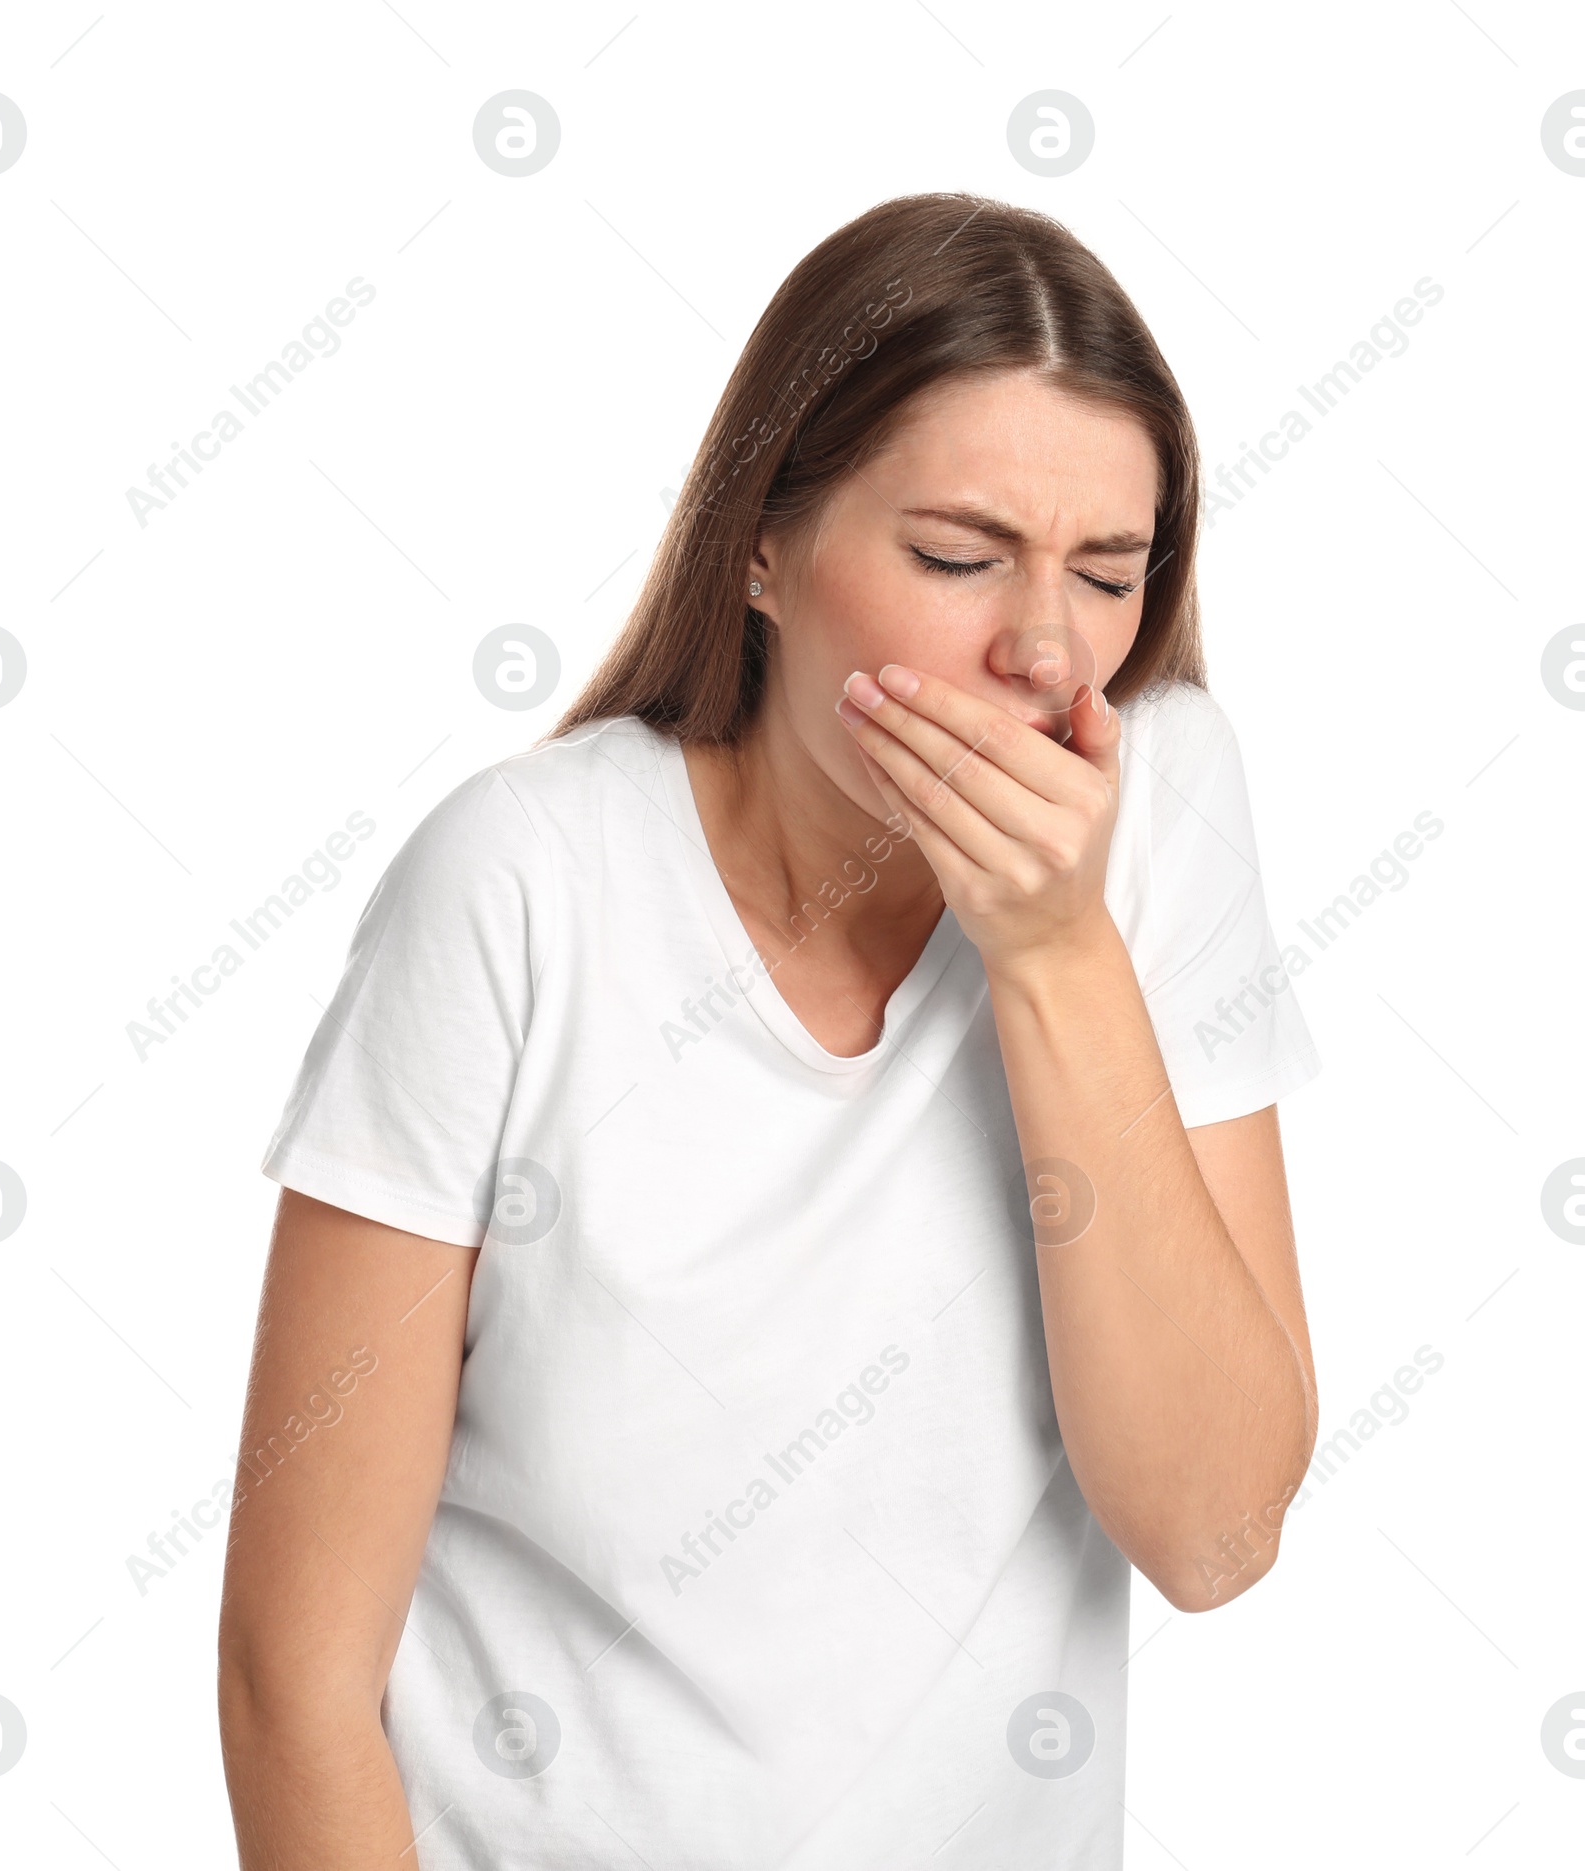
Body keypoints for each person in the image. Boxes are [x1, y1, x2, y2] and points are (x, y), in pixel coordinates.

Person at [218, 191, 1321, 1869]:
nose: (1043, 648)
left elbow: (1217, 1531)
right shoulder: (518, 888)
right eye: (957, 558)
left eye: (1110, 572)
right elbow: (292, 1675)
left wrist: (1057, 958)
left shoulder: (1161, 811)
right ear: (760, 545)